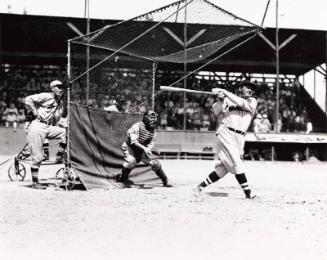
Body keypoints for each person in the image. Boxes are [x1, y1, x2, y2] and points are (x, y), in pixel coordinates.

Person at [193, 81, 257, 199]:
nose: (248, 89)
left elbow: (241, 102)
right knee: (237, 163)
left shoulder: (252, 101)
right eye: (246, 87)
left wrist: (225, 92)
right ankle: (249, 194)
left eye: (250, 88)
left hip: (240, 138)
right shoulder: (228, 100)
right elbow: (216, 111)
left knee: (223, 168)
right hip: (226, 133)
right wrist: (221, 100)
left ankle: (199, 187)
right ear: (241, 89)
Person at [24, 80, 67, 189]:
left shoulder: (60, 102)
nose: (61, 89)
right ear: (52, 88)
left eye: (62, 87)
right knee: (38, 157)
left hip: (47, 127)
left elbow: (59, 117)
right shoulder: (46, 96)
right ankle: (35, 183)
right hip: (37, 126)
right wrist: (34, 111)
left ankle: (59, 156)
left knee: (64, 132)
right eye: (58, 87)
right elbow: (28, 99)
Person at [115, 110, 173, 187]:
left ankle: (165, 180)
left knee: (156, 163)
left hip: (142, 149)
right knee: (131, 161)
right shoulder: (137, 126)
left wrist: (150, 150)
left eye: (155, 118)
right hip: (130, 147)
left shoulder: (153, 132)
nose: (154, 119)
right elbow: (134, 142)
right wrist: (145, 149)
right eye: (151, 117)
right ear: (145, 118)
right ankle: (121, 180)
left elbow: (150, 145)